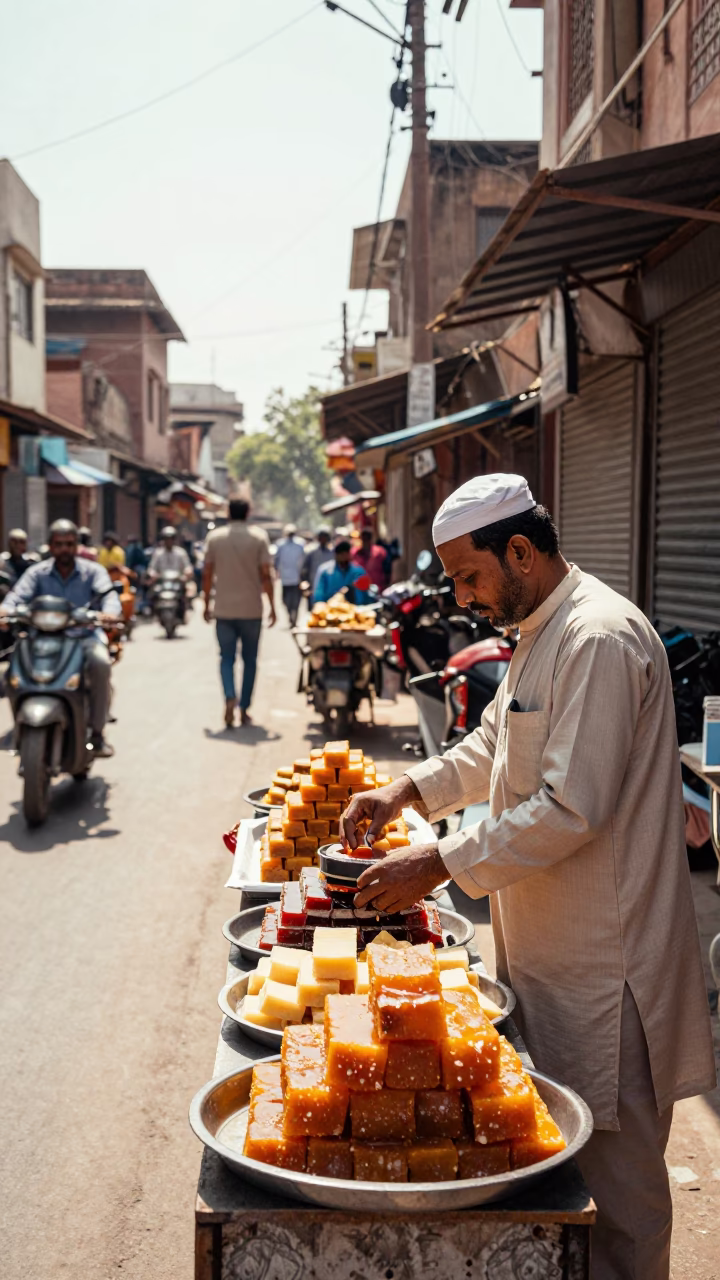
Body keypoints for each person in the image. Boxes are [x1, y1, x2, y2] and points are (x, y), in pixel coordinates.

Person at [341, 473, 716, 1280]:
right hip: (550, 958)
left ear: (520, 550)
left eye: (470, 576)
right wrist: (410, 789)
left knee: (620, 1200)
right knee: (564, 1172)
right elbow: (491, 746)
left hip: (606, 973)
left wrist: (436, 861)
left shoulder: (598, 639)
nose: (464, 596)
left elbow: (568, 808)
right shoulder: (543, 632)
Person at [0, 520, 121, 757]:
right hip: (41, 639)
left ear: (77, 545)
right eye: (59, 544)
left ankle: (97, 734)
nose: (64, 549)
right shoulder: (37, 573)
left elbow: (109, 596)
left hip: (83, 637)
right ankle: (20, 727)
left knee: (100, 664)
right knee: (13, 670)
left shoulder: (93, 571)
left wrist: (109, 614)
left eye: (69, 544)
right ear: (50, 546)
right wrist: (4, 611)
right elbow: (16, 597)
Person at [202, 499, 277, 728]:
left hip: (223, 609)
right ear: (248, 513)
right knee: (250, 661)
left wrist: (206, 603)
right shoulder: (258, 537)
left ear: (227, 513)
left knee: (226, 658)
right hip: (251, 609)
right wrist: (273, 605)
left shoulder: (215, 538)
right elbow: (266, 574)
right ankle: (244, 708)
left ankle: (229, 695)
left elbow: (207, 573)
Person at [312, 539, 370, 605]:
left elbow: (364, 594)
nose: (344, 556)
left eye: (346, 553)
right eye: (341, 554)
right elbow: (319, 593)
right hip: (330, 610)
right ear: (336, 555)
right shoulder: (326, 571)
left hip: (355, 610)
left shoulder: (358, 572)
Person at [274, 524, 306, 627]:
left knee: (296, 600)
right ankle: (290, 614)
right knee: (285, 600)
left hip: (297, 578)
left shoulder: (300, 544)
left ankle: (294, 616)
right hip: (285, 578)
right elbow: (276, 560)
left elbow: (304, 560)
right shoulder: (280, 545)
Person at [301, 527, 334, 592]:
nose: (323, 540)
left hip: (328, 588)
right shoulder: (312, 554)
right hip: (314, 588)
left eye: (325, 538)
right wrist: (306, 583)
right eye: (321, 538)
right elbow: (304, 570)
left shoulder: (332, 554)